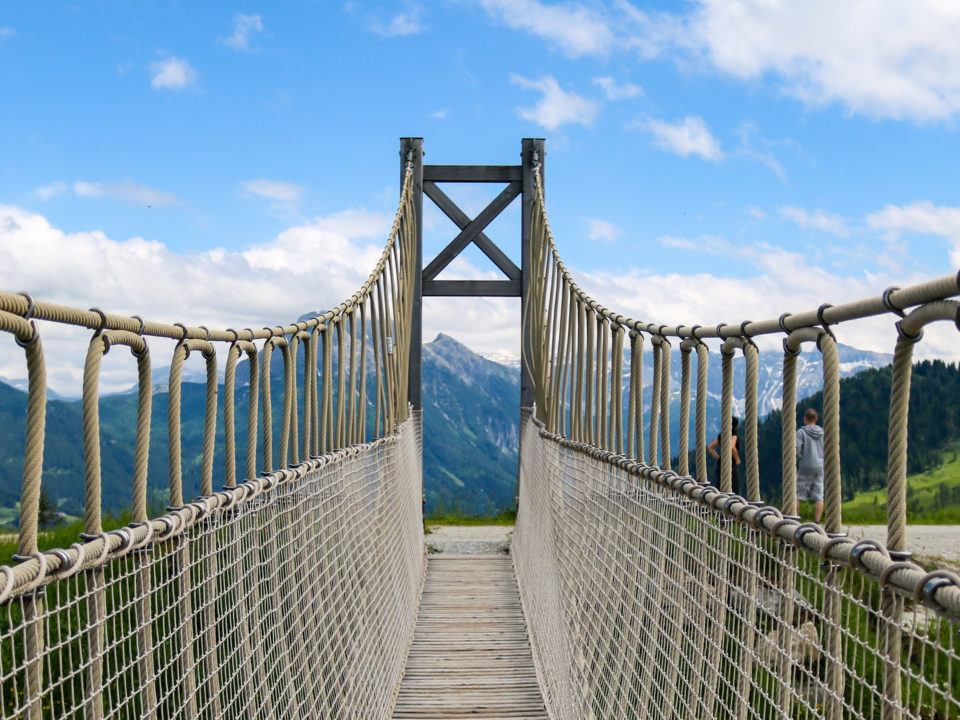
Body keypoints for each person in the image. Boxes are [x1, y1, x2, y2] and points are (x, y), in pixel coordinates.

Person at [796, 408, 824, 522]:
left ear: (805, 419)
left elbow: (797, 449)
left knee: (797, 494)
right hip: (820, 466)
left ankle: (795, 519)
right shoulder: (823, 432)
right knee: (819, 495)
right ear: (816, 419)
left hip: (805, 466)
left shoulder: (801, 432)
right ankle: (817, 521)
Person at [708, 416, 741, 495]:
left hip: (720, 465)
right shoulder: (734, 435)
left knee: (720, 489)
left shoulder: (722, 435)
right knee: (735, 489)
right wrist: (737, 459)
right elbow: (732, 447)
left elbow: (710, 447)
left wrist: (719, 458)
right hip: (730, 465)